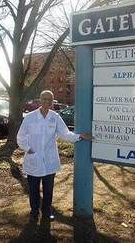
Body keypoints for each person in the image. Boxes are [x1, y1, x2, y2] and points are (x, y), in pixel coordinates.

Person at [17, 90, 91, 222]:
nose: (47, 102)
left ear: (52, 102)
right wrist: (29, 149)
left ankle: (46, 212)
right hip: (33, 159)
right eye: (44, 99)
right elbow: (21, 136)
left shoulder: (55, 117)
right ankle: (34, 212)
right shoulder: (30, 117)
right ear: (40, 100)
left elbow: (65, 133)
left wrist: (79, 136)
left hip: (50, 161)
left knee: (48, 190)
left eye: (50, 100)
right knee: (33, 190)